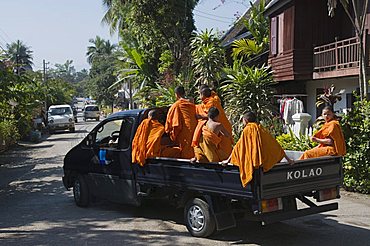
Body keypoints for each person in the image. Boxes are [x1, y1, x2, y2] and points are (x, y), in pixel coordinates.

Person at [222, 112, 293, 187]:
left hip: (253, 167)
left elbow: (238, 147)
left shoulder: (247, 130)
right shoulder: (260, 128)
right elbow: (274, 145)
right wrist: (288, 160)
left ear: (245, 120)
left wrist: (228, 160)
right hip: (261, 166)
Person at [196, 85, 233, 156]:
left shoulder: (211, 102)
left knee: (224, 147)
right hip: (220, 126)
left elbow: (211, 115)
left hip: (222, 125)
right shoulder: (211, 100)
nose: (199, 97)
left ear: (202, 94)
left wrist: (201, 116)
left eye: (200, 94)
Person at [165, 86, 198, 159]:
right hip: (195, 127)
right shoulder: (191, 103)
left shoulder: (177, 105)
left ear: (176, 94)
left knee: (186, 149)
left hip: (186, 130)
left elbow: (173, 122)